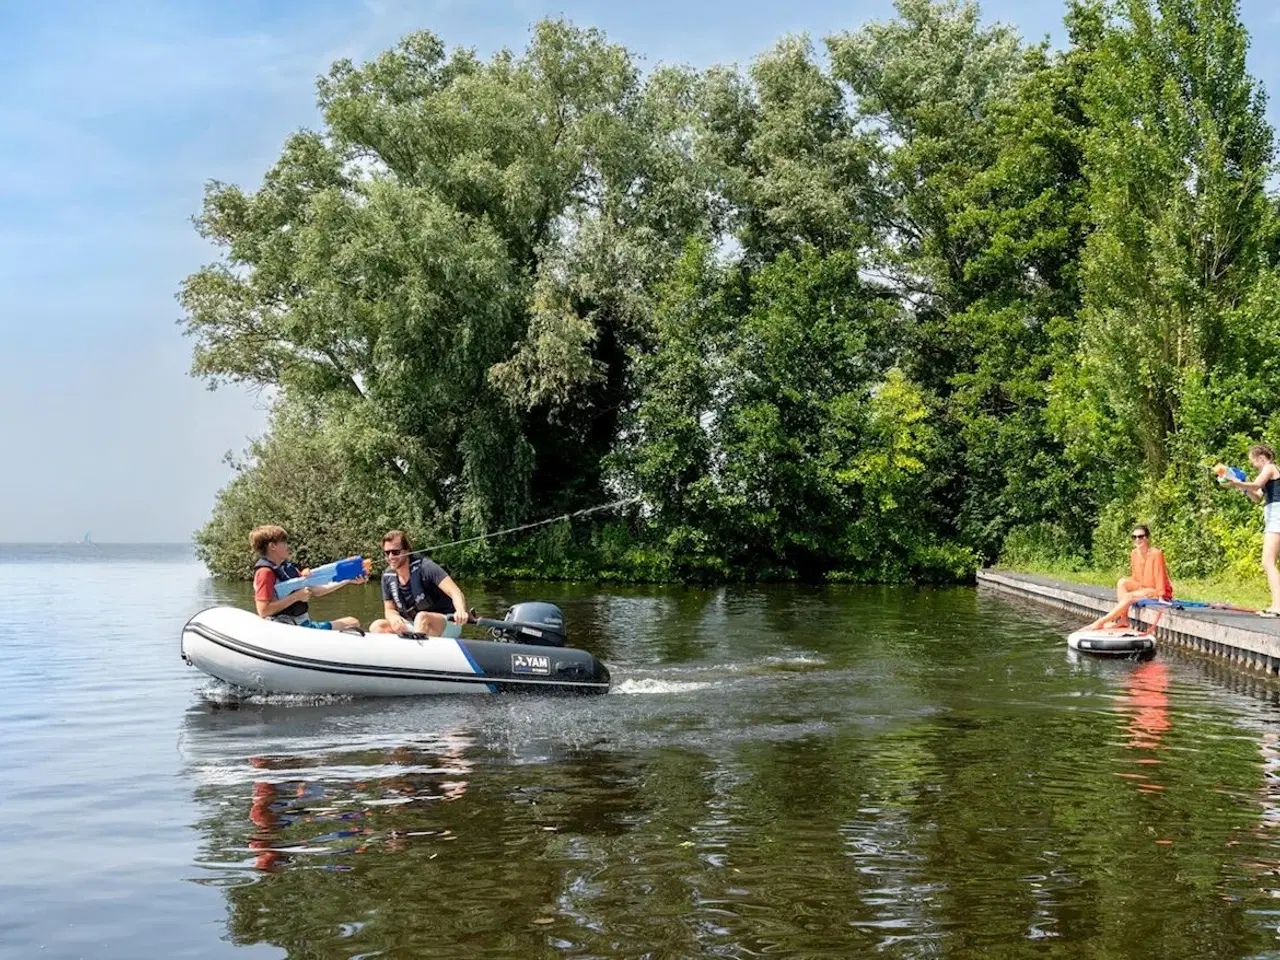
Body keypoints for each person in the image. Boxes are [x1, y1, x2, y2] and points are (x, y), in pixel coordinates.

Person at [250, 525, 364, 631]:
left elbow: (318, 591)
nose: (287, 547)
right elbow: (263, 610)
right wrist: (296, 596)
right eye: (284, 543)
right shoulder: (265, 573)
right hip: (286, 628)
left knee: (353, 622)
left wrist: (347, 579)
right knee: (352, 622)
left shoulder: (288, 569)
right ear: (272, 546)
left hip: (303, 625)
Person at [368, 530, 470, 636]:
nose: (390, 557)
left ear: (407, 550)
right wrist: (393, 617)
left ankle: (417, 648)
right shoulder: (387, 577)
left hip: (446, 622)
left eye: (395, 552)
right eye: (387, 553)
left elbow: (455, 591)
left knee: (422, 618)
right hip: (413, 624)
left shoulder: (426, 567)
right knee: (377, 626)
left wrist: (461, 610)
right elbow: (389, 609)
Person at [1222, 444, 1280, 616]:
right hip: (1273, 515)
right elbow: (1256, 497)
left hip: (1276, 514)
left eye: (1253, 461)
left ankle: (1278, 606)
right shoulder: (1267, 472)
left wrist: (1235, 482)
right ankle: (1276, 604)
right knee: (1269, 561)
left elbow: (1255, 485)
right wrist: (1241, 487)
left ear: (1261, 458)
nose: (1253, 465)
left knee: (1268, 561)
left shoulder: (1269, 467)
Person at [1085, 524, 1173, 630]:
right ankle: (1123, 619)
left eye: (1140, 536)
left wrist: (1161, 596)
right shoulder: (1134, 553)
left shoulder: (1156, 553)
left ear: (1147, 538)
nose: (1137, 539)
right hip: (1143, 587)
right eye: (1134, 537)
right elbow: (1136, 577)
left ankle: (1101, 622)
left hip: (1156, 591)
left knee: (1129, 597)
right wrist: (1134, 589)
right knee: (1121, 582)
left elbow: (1160, 576)